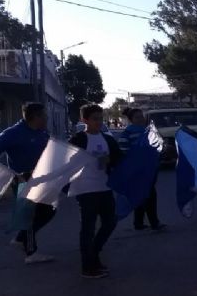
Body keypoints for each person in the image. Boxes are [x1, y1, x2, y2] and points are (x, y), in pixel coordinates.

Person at [0, 102, 54, 264]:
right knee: (29, 216)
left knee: (49, 210)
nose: (47, 118)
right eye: (45, 115)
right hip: (23, 180)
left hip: (41, 180)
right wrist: (7, 174)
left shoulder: (42, 132)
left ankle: (21, 238)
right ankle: (31, 253)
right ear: (36, 117)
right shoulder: (13, 133)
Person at [68, 104, 123, 278]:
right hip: (85, 189)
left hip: (104, 187)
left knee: (110, 222)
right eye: (94, 119)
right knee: (88, 228)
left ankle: (94, 255)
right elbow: (65, 161)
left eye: (100, 118)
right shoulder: (77, 139)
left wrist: (111, 160)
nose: (98, 122)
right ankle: (88, 266)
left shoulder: (108, 139)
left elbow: (119, 159)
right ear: (85, 120)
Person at [119, 107, 165, 231]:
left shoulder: (148, 131)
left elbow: (157, 146)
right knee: (149, 195)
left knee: (142, 195)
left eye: (142, 117)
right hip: (138, 170)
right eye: (137, 117)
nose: (141, 119)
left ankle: (138, 223)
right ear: (131, 120)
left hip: (150, 168)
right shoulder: (127, 133)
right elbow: (123, 152)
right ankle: (154, 223)